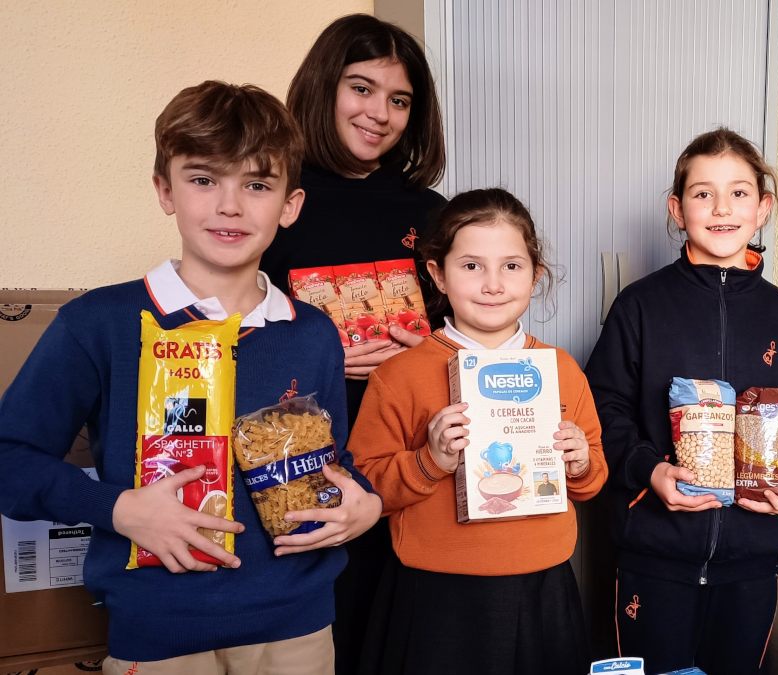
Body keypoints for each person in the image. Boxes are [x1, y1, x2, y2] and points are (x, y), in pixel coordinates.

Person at [0, 81, 382, 673]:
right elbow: (10, 458)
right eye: (204, 179)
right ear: (165, 190)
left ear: (290, 205)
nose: (230, 206)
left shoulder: (312, 332)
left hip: (300, 626)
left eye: (257, 184)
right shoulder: (98, 323)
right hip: (160, 633)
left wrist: (363, 506)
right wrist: (118, 508)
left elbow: (335, 462)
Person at [585, 128, 778, 675]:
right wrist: (649, 471)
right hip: (653, 555)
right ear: (677, 210)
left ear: (763, 208)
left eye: (739, 193)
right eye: (703, 194)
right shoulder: (640, 307)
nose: (722, 208)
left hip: (750, 561)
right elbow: (602, 408)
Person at [348, 188, 608, 674]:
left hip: (543, 588)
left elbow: (593, 481)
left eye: (511, 266)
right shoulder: (400, 373)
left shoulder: (561, 369)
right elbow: (365, 486)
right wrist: (430, 461)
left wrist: (580, 462)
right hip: (436, 595)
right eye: (471, 266)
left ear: (535, 275)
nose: (493, 284)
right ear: (436, 274)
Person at [258, 15, 448, 672]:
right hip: (296, 461)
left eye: (399, 100)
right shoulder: (271, 196)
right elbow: (228, 335)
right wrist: (325, 349)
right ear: (323, 86)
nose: (381, 114)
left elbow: (465, 336)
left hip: (410, 462)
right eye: (361, 89)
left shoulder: (429, 213)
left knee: (397, 637)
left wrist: (424, 349)